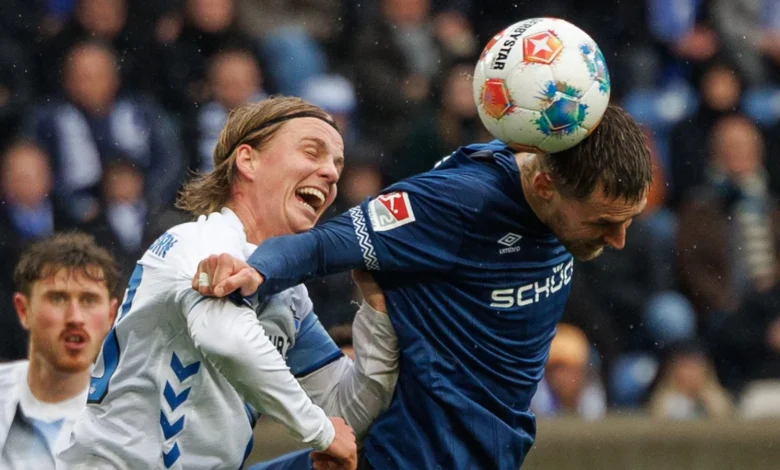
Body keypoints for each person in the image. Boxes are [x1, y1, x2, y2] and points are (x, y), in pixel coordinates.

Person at [196, 104, 653, 469]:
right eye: (604, 222)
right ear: (545, 184)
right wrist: (254, 271)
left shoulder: (560, 193)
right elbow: (325, 244)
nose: (618, 240)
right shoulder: (460, 202)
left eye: (628, 220)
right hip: (410, 455)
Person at [59, 97, 400, 470]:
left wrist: (378, 313)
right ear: (247, 160)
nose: (331, 174)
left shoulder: (290, 297)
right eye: (311, 152)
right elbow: (226, 338)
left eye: (337, 164)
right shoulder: (195, 244)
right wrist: (320, 429)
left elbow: (346, 413)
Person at [0, 232, 120, 469]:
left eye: (89, 300)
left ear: (110, 315)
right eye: (58, 298)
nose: (75, 318)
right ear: (23, 310)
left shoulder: (125, 427)